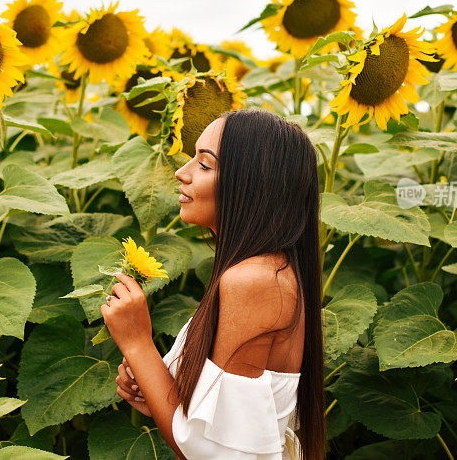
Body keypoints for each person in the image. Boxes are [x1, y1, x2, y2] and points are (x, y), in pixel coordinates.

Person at [101, 108, 324, 459]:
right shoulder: (265, 271)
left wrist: (138, 343)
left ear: (252, 183)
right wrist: (156, 382)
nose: (181, 172)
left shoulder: (255, 280)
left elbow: (211, 451)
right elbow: (217, 428)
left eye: (204, 165)